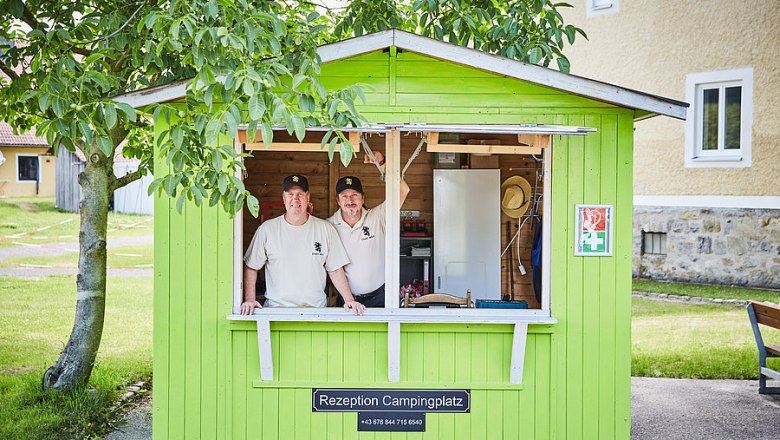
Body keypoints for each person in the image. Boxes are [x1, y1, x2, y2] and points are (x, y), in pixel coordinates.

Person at [240, 174, 365, 315]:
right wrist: (249, 299)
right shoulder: (267, 230)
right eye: (290, 194)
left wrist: (349, 299)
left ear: (308, 197)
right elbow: (251, 266)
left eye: (300, 194)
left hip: (316, 312)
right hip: (276, 311)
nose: (295, 199)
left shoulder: (325, 228)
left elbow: (335, 269)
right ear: (283, 198)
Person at [327, 151, 410, 307]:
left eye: (354, 195)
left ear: (363, 198)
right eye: (344, 196)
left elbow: (402, 191)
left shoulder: (377, 217)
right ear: (338, 201)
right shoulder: (329, 225)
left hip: (380, 297)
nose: (349, 200)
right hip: (347, 300)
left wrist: (383, 164)